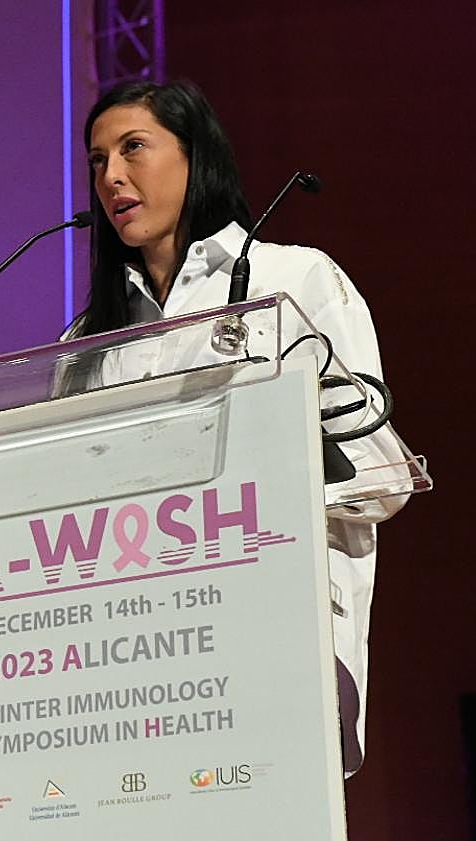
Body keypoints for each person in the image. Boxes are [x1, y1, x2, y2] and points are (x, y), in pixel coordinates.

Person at [62, 79, 407, 775]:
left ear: (198, 159)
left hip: (272, 635)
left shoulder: (294, 278)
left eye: (133, 148)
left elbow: (379, 475)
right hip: (124, 663)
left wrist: (246, 466)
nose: (112, 177)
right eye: (97, 161)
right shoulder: (85, 340)